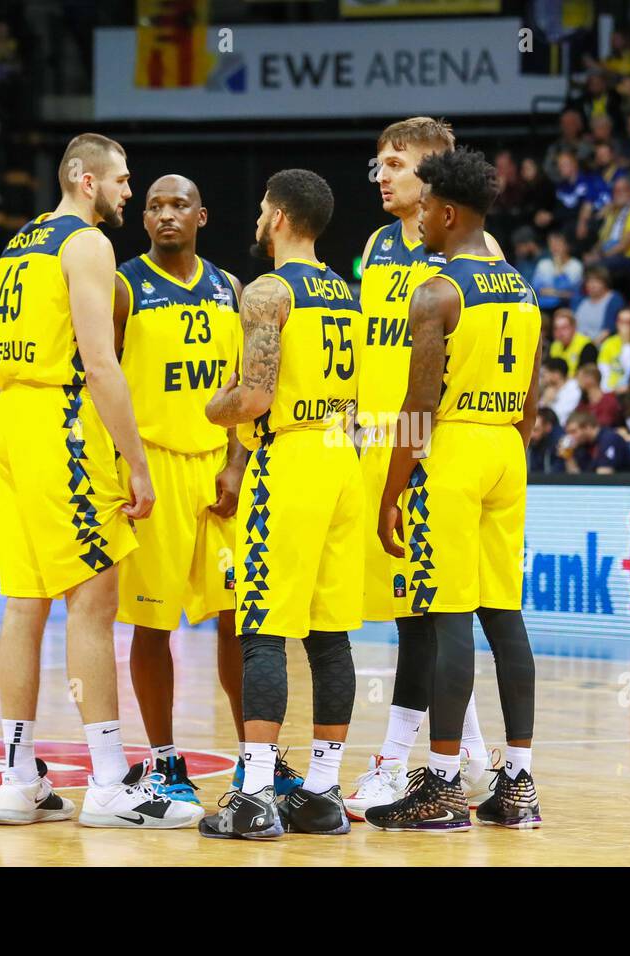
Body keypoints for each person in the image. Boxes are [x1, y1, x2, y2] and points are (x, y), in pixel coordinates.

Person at [0, 134, 189, 830]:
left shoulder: (20, 243)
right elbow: (102, 367)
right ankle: (108, 781)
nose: (129, 192)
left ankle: (17, 779)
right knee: (94, 601)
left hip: (11, 421)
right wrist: (135, 463)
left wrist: (15, 438)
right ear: (84, 178)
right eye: (122, 180)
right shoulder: (87, 244)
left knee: (24, 604)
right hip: (59, 420)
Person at [369, 147, 542, 832]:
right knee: (504, 613)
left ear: (446, 212)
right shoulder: (523, 288)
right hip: (507, 445)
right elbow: (533, 397)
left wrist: (391, 491)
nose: (417, 223)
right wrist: (510, 444)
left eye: (425, 212)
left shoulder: (437, 292)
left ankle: (440, 786)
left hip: (456, 444)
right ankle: (519, 783)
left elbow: (417, 407)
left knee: (447, 618)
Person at [201, 169, 363, 839]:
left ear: (281, 217)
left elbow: (256, 395)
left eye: (264, 209)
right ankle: (321, 793)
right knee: (328, 636)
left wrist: (215, 409)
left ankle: (257, 794)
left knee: (261, 629)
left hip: (291, 458)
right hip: (341, 459)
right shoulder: (345, 293)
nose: (258, 220)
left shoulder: (269, 290)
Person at [347, 118, 500, 820]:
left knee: (423, 619)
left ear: (435, 173)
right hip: (378, 445)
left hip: (433, 449)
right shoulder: (378, 244)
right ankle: (470, 756)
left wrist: (411, 460)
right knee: (411, 619)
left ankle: (392, 764)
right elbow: (368, 345)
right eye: (377, 163)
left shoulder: (471, 255)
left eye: (396, 163)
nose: (381, 175)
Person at [111, 174, 252, 807]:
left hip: (217, 470)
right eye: (155, 207)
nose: (166, 215)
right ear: (144, 219)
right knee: (152, 623)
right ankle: (165, 760)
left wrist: (236, 459)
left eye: (179, 206)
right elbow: (100, 376)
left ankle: (257, 759)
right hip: (153, 468)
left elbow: (251, 379)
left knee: (239, 620)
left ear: (202, 215)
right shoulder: (121, 286)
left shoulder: (232, 288)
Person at [528, 407, 565, 473]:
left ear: (548, 427)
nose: (531, 435)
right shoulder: (532, 445)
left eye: (535, 430)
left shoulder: (560, 446)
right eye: (529, 430)